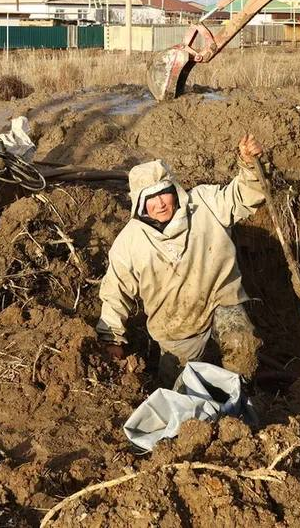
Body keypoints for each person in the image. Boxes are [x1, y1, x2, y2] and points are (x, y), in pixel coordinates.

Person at [97, 135, 266, 384]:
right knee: (178, 391)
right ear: (139, 204)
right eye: (150, 199)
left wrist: (250, 165)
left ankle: (238, 404)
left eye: (164, 193)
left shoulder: (205, 204)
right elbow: (115, 292)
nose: (160, 204)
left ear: (174, 190)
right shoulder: (130, 243)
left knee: (242, 345)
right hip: (176, 331)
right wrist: (111, 338)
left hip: (222, 304)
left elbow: (243, 196)